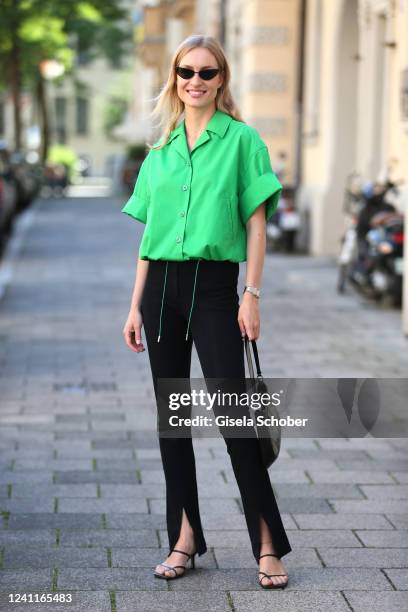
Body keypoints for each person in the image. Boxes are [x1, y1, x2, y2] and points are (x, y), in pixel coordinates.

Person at [121, 34, 291, 590]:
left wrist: (253, 293)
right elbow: (149, 236)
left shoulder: (243, 142)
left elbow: (257, 223)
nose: (195, 81)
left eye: (207, 72)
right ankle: (184, 538)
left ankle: (267, 545)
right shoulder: (161, 149)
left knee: (234, 418)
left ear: (222, 80)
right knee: (173, 421)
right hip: (162, 289)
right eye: (186, 71)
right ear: (175, 78)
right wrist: (134, 307)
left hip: (218, 288)